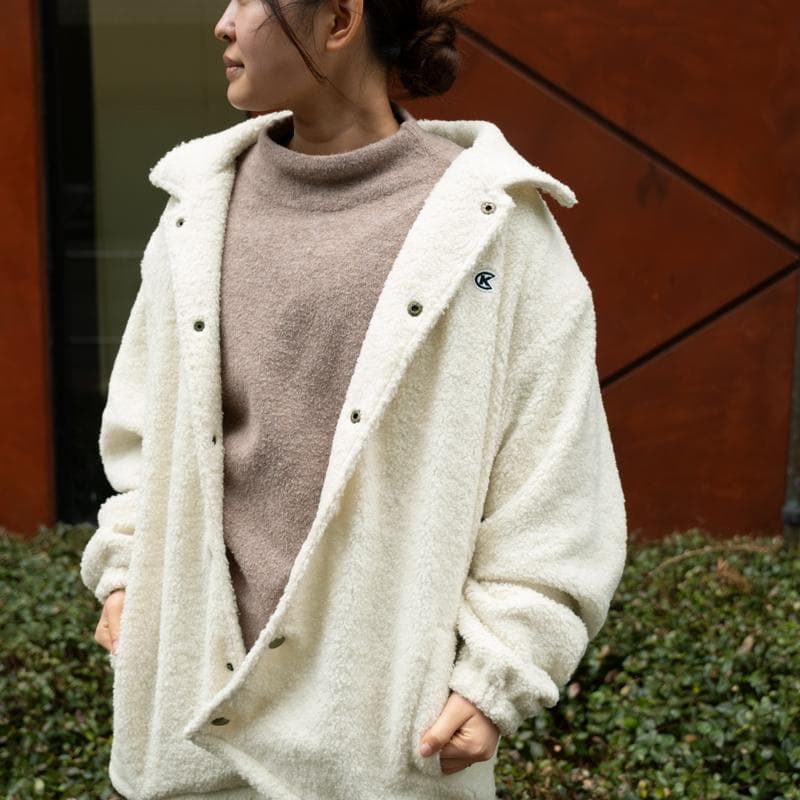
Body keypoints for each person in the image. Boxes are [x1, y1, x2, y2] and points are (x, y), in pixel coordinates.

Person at [82, 1, 628, 798]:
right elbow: (140, 429)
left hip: (383, 740)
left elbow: (555, 481)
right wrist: (127, 571)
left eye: (250, 1)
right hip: (192, 733)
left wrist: (498, 673)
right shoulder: (194, 206)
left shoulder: (494, 226)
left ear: (338, 20)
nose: (223, 24)